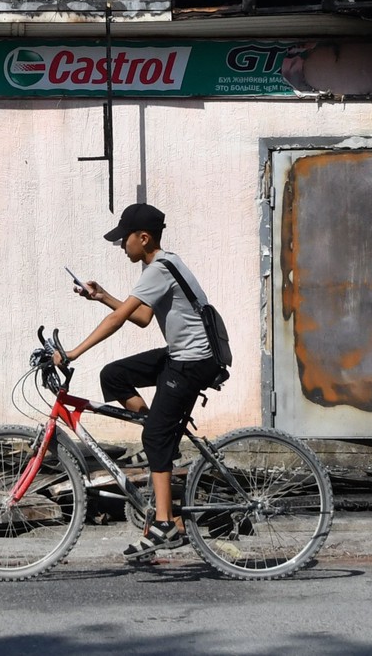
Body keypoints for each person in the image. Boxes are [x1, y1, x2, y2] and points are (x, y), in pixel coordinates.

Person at [54, 202, 223, 560]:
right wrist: (102, 297)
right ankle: (162, 431)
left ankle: (164, 523)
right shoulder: (161, 265)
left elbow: (120, 321)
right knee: (113, 376)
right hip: (183, 355)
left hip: (193, 362)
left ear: (143, 238)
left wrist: (72, 353)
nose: (120, 245)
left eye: (123, 239)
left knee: (154, 437)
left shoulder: (159, 268)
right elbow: (144, 316)